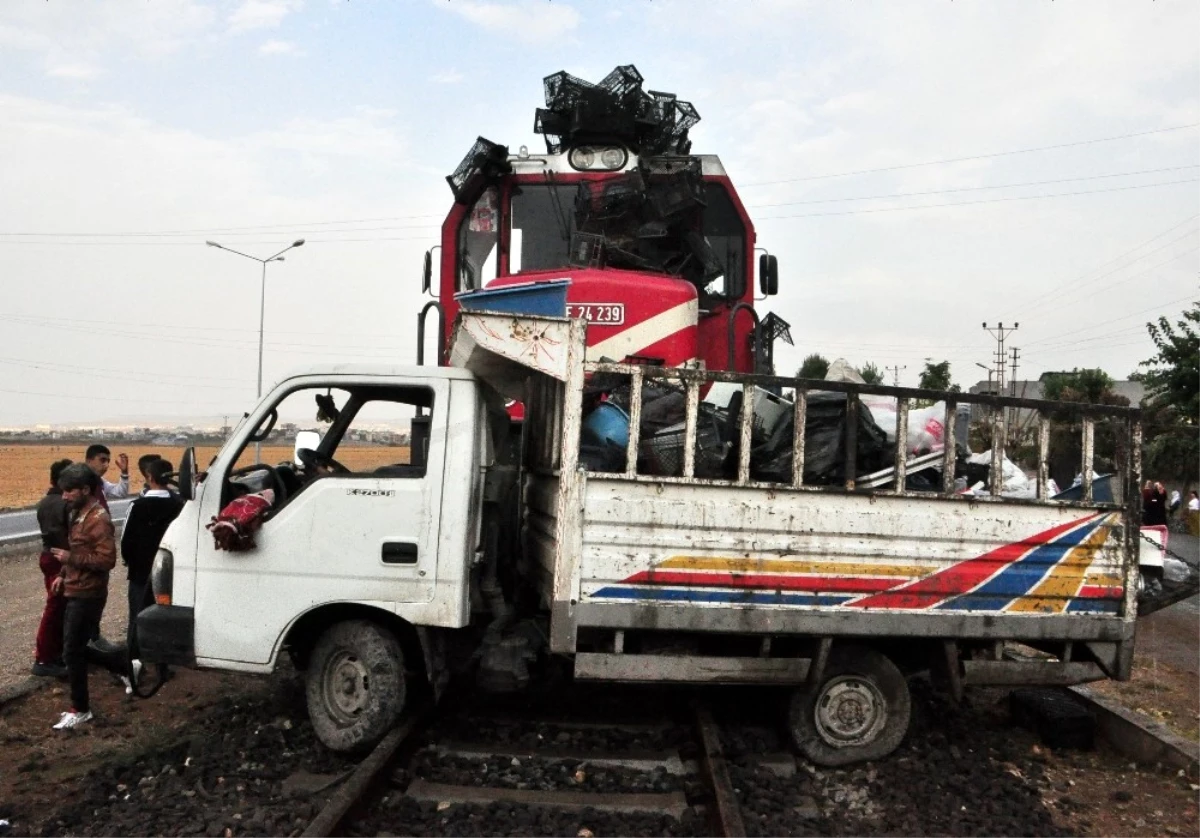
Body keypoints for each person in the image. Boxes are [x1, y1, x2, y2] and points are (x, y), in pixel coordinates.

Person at [50, 464, 117, 730]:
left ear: (86, 490)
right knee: (74, 648)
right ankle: (125, 666)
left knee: (71, 650)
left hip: (89, 593)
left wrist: (70, 560)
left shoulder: (98, 519)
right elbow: (77, 549)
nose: (64, 496)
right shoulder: (77, 512)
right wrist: (63, 574)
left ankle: (80, 709)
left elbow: (107, 559)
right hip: (74, 587)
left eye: (68, 491)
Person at [120, 458, 182, 670]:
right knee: (164, 619)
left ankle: (133, 664)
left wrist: (129, 561)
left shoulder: (137, 506)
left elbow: (125, 541)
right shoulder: (179, 505)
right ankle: (162, 666)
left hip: (140, 573)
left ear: (149, 477)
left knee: (137, 617)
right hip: (170, 573)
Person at [31, 459, 73, 678]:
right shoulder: (62, 504)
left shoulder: (46, 501)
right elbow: (64, 537)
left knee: (59, 608)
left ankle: (53, 655)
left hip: (50, 556)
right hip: (58, 559)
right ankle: (44, 658)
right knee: (55, 608)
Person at [84, 445, 130, 511]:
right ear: (88, 461)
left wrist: (124, 473)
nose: (106, 465)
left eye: (108, 461)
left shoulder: (101, 482)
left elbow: (121, 493)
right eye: (102, 460)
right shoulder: (77, 483)